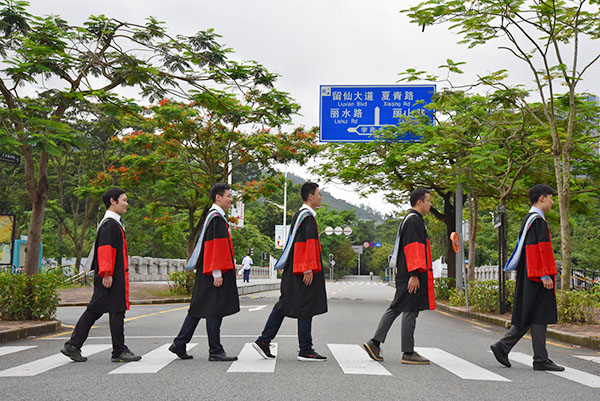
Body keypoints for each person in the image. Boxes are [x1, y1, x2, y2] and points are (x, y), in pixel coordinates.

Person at [61, 188, 141, 363]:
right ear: (113, 201)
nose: (126, 204)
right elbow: (105, 249)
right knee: (106, 310)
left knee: (107, 311)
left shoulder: (113, 222)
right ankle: (116, 350)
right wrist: (106, 273)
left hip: (112, 275)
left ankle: (75, 346)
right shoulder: (110, 224)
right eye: (124, 200)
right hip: (110, 277)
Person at [490, 185, 565, 371]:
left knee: (533, 314)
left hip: (530, 274)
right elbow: (537, 250)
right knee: (538, 313)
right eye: (550, 198)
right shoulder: (537, 221)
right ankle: (537, 358)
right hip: (537, 275)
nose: (552, 202)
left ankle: (508, 348)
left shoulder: (529, 219)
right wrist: (545, 275)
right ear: (541, 198)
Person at [253, 182, 328, 361]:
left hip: (295, 269)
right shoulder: (306, 217)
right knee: (304, 307)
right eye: (318, 193)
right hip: (302, 271)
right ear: (310, 196)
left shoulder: (302, 215)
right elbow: (304, 245)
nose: (321, 197)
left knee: (286, 305)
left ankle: (265, 341)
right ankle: (305, 349)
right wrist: (307, 268)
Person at [363, 188, 435, 364]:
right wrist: (414, 274)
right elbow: (413, 248)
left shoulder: (410, 219)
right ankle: (408, 352)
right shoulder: (414, 221)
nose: (430, 204)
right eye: (428, 200)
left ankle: (375, 343)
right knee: (410, 310)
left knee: (396, 308)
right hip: (411, 274)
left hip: (406, 272)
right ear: (419, 202)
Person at [169, 183, 240, 362]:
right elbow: (214, 247)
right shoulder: (216, 218)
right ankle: (215, 350)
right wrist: (217, 272)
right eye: (228, 196)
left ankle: (179, 343)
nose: (231, 200)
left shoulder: (214, 216)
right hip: (212, 271)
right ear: (218, 197)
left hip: (207, 270)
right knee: (214, 309)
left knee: (198, 307)